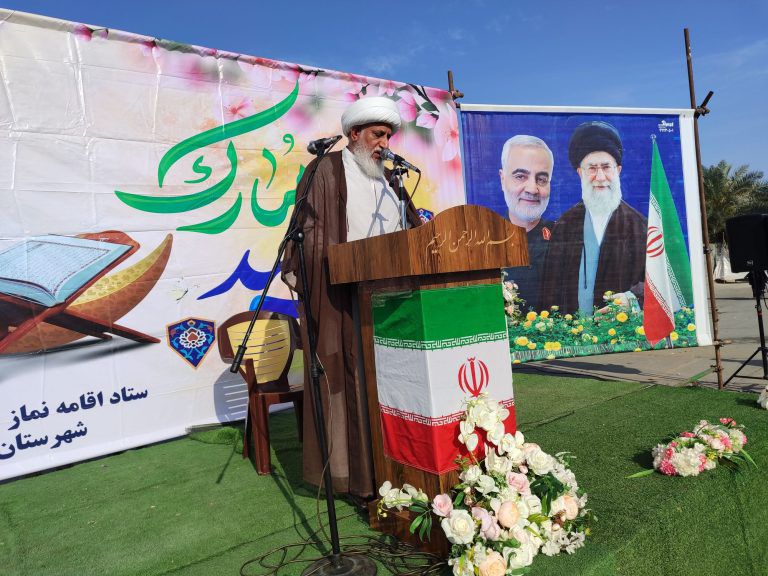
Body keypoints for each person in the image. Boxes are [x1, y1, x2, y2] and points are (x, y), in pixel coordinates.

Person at [281, 96, 421, 500]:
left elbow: (413, 231)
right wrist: (337, 266)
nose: (384, 143)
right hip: (345, 301)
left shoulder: (392, 179)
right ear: (354, 134)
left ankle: (403, 463)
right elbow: (309, 234)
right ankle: (359, 477)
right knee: (352, 384)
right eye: (378, 134)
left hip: (393, 303)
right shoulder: (326, 170)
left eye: (389, 136)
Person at [539, 120, 646, 315]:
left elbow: (660, 282)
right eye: (592, 168)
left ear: (618, 170)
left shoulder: (640, 226)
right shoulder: (564, 225)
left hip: (622, 330)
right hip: (572, 332)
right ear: (580, 173)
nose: (600, 177)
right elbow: (550, 290)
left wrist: (632, 299)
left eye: (606, 167)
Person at [498, 135, 554, 312]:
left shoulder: (566, 240)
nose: (532, 189)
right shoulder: (481, 242)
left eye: (542, 179)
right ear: (502, 179)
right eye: (520, 176)